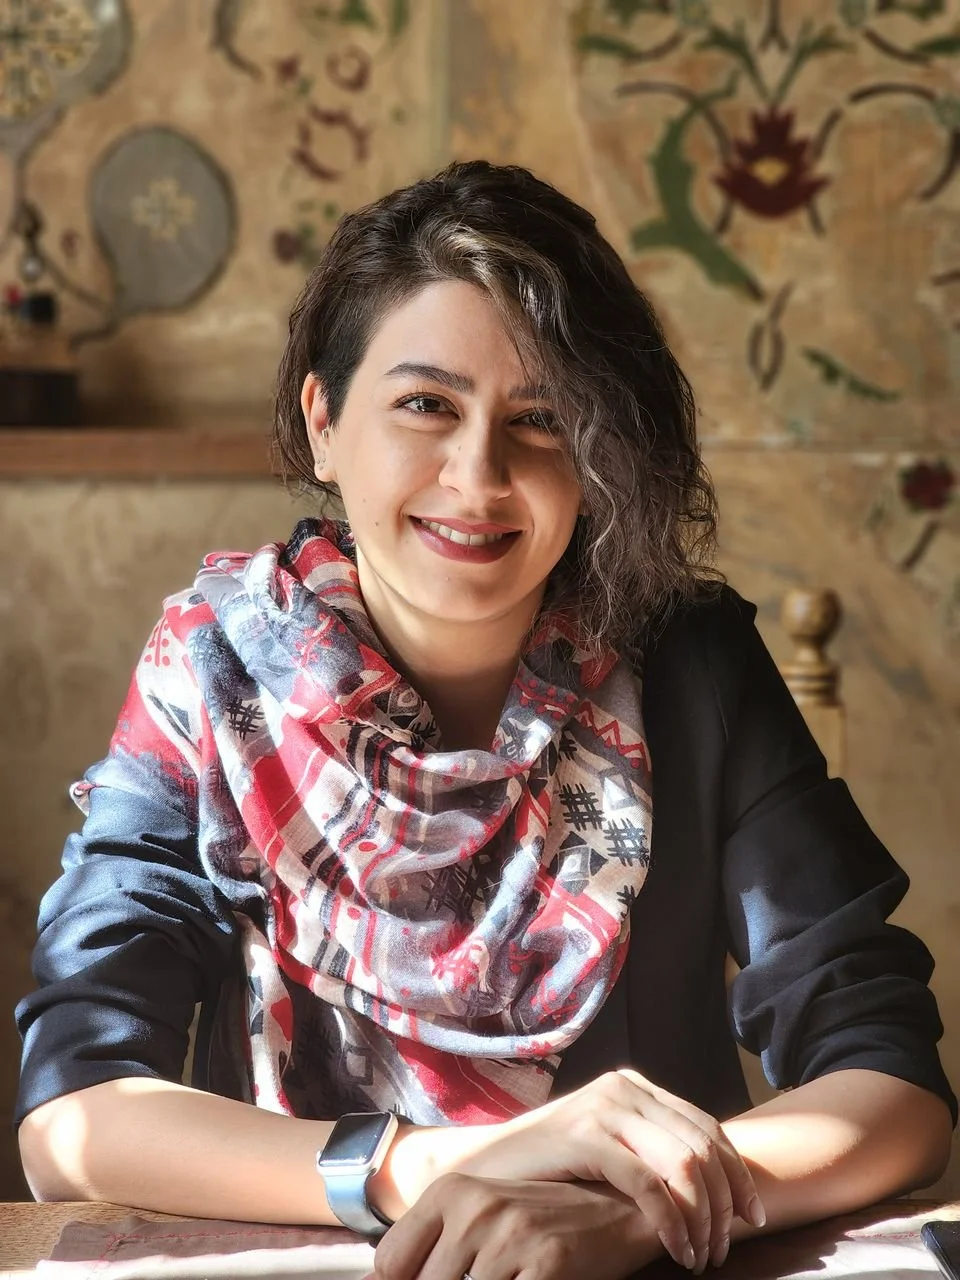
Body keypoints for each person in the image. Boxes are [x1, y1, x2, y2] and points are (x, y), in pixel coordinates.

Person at [16, 161, 955, 1280]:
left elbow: (890, 1079)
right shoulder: (212, 672)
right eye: (426, 405)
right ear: (325, 421)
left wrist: (649, 1211)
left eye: (542, 420)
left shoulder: (689, 659)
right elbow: (72, 1110)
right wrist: (440, 1165)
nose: (480, 474)